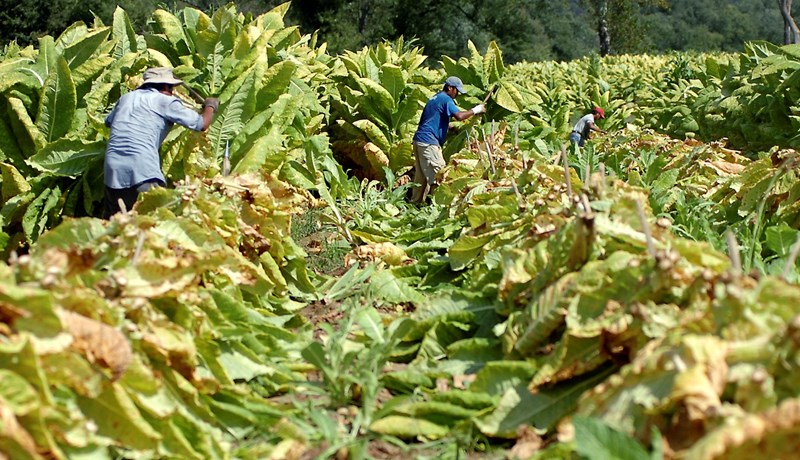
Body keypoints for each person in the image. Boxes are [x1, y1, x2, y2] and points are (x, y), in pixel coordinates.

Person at [102, 67, 219, 218]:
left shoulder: (126, 98)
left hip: (113, 172)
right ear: (165, 87)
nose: (172, 93)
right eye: (171, 89)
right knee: (155, 223)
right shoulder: (165, 101)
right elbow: (201, 124)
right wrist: (210, 107)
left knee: (117, 225)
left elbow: (108, 122)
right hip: (143, 171)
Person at [411, 76, 486, 203]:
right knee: (441, 176)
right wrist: (476, 110)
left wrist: (450, 128)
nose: (456, 94)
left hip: (419, 140)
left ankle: (414, 207)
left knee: (421, 179)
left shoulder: (435, 98)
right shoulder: (446, 99)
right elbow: (459, 116)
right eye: (456, 91)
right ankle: (440, 205)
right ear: (450, 88)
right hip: (429, 142)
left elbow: (432, 120)